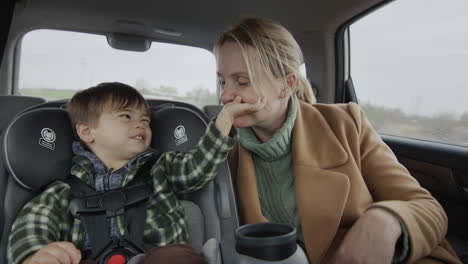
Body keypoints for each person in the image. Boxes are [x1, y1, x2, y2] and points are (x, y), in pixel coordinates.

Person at [214, 17, 462, 264]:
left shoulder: (346, 124)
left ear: (286, 85)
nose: (225, 95)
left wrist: (387, 219)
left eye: (242, 81)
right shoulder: (219, 152)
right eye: (223, 81)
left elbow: (427, 209)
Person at [7, 82, 264, 264]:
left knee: (178, 256)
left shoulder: (161, 168)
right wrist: (35, 254)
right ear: (87, 132)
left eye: (145, 120)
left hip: (155, 257)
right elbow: (34, 223)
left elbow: (198, 167)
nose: (141, 123)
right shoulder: (63, 189)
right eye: (126, 116)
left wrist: (225, 119)